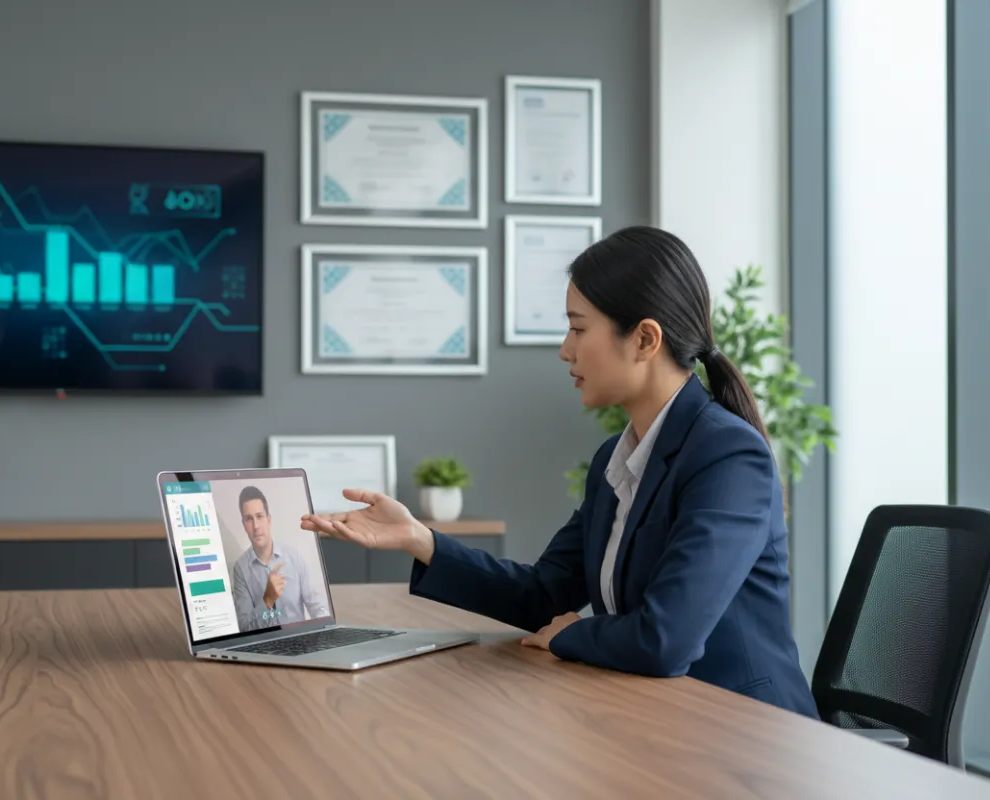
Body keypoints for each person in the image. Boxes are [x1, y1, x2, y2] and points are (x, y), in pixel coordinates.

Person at [301, 225, 819, 718]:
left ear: (644, 339)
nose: (565, 350)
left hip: (744, 735)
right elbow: (544, 595)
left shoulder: (728, 456)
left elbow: (666, 640)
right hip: (656, 715)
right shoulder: (616, 460)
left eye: (578, 328)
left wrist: (571, 634)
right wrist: (420, 539)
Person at [230, 485, 329, 630]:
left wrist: (324, 634)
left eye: (259, 516)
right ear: (244, 525)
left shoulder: (294, 557)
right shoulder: (240, 569)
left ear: (268, 519)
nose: (256, 525)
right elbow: (244, 628)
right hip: (263, 648)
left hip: (300, 643)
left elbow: (318, 608)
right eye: (249, 519)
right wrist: (267, 601)